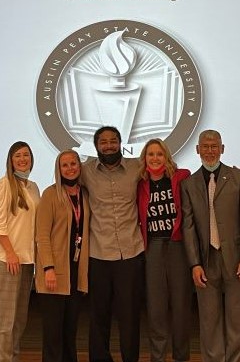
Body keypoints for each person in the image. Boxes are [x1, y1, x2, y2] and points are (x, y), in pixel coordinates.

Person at [181, 130, 240, 362]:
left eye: (214, 146)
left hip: (237, 260)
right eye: (205, 146)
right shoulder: (188, 184)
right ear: (197, 150)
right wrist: (194, 264)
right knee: (209, 320)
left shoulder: (239, 178)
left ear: (222, 148)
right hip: (206, 261)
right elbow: (188, 228)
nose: (210, 151)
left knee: (237, 320)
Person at [81, 126, 144, 362]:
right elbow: (62, 177)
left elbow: (168, 169)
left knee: (130, 316)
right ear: (96, 146)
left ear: (120, 143)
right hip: (98, 254)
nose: (109, 146)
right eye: (103, 142)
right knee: (99, 315)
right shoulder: (85, 171)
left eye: (113, 141)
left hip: (131, 253)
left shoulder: (137, 167)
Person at [137, 139, 192, 362]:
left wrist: (239, 174)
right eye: (150, 154)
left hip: (178, 246)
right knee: (156, 308)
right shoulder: (139, 184)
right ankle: (158, 357)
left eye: (159, 154)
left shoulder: (182, 177)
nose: (155, 158)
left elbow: (205, 183)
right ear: (145, 158)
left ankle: (181, 357)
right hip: (153, 247)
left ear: (166, 156)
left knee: (181, 307)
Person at [35, 150, 90, 362]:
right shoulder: (50, 194)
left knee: (70, 331)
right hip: (54, 272)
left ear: (79, 165)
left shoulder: (85, 195)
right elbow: (42, 235)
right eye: (64, 165)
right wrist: (48, 268)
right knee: (53, 334)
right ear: (58, 169)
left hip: (75, 273)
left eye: (73, 163)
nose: (70, 168)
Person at [0, 141, 40, 362]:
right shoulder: (1, 185)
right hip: (5, 259)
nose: (22, 159)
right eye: (17, 155)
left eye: (26, 155)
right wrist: (10, 253)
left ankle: (12, 358)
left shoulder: (33, 187)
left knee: (19, 319)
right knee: (5, 321)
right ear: (10, 160)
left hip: (26, 261)